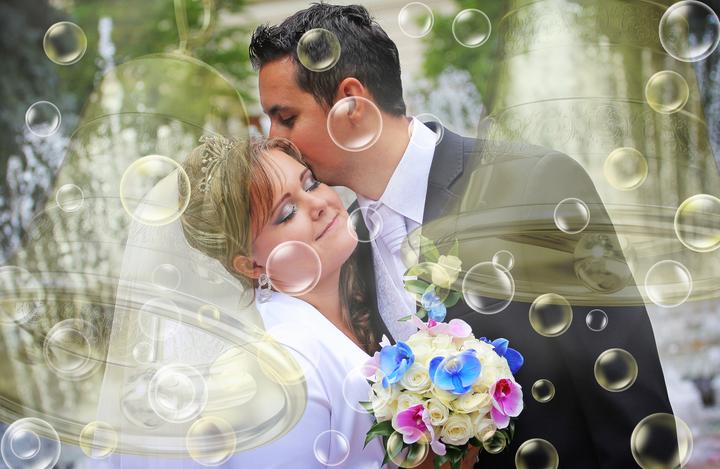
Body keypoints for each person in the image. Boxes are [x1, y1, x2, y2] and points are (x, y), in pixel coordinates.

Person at [249, 3, 678, 467]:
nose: (275, 138)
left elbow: (627, 393)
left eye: (286, 117)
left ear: (351, 105)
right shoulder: (345, 245)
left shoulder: (534, 185)